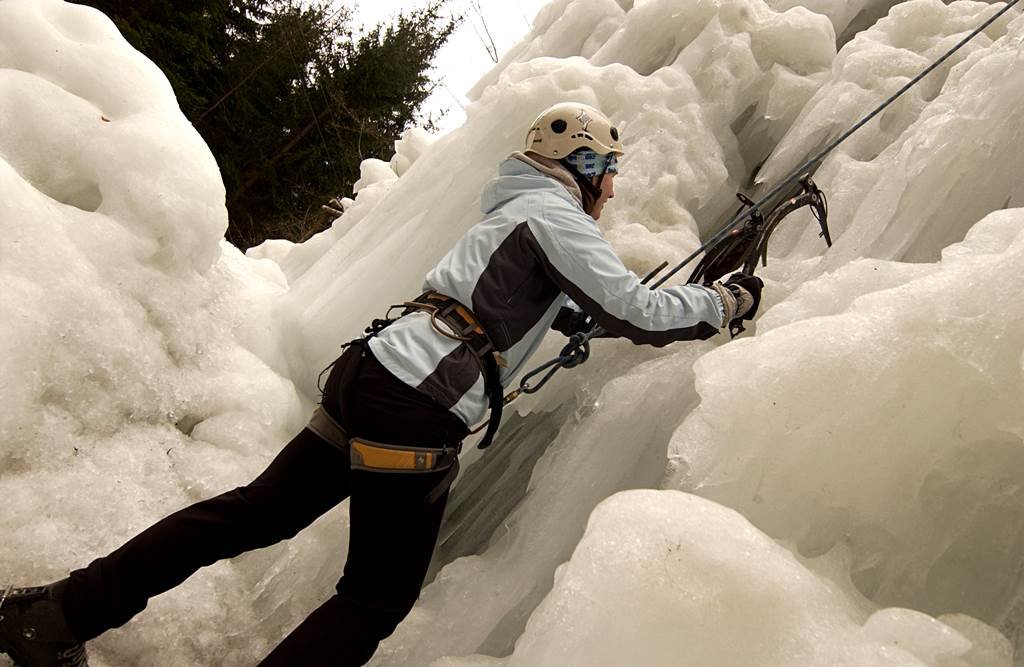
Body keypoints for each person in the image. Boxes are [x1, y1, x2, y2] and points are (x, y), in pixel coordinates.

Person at [0, 102, 762, 667]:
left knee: (249, 514)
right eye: (610, 174)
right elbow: (637, 308)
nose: (613, 192)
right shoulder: (558, 218)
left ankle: (53, 614)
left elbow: (522, 300)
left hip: (375, 371)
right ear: (587, 167)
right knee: (374, 598)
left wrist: (570, 319)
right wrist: (724, 302)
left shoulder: (518, 212)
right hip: (417, 405)